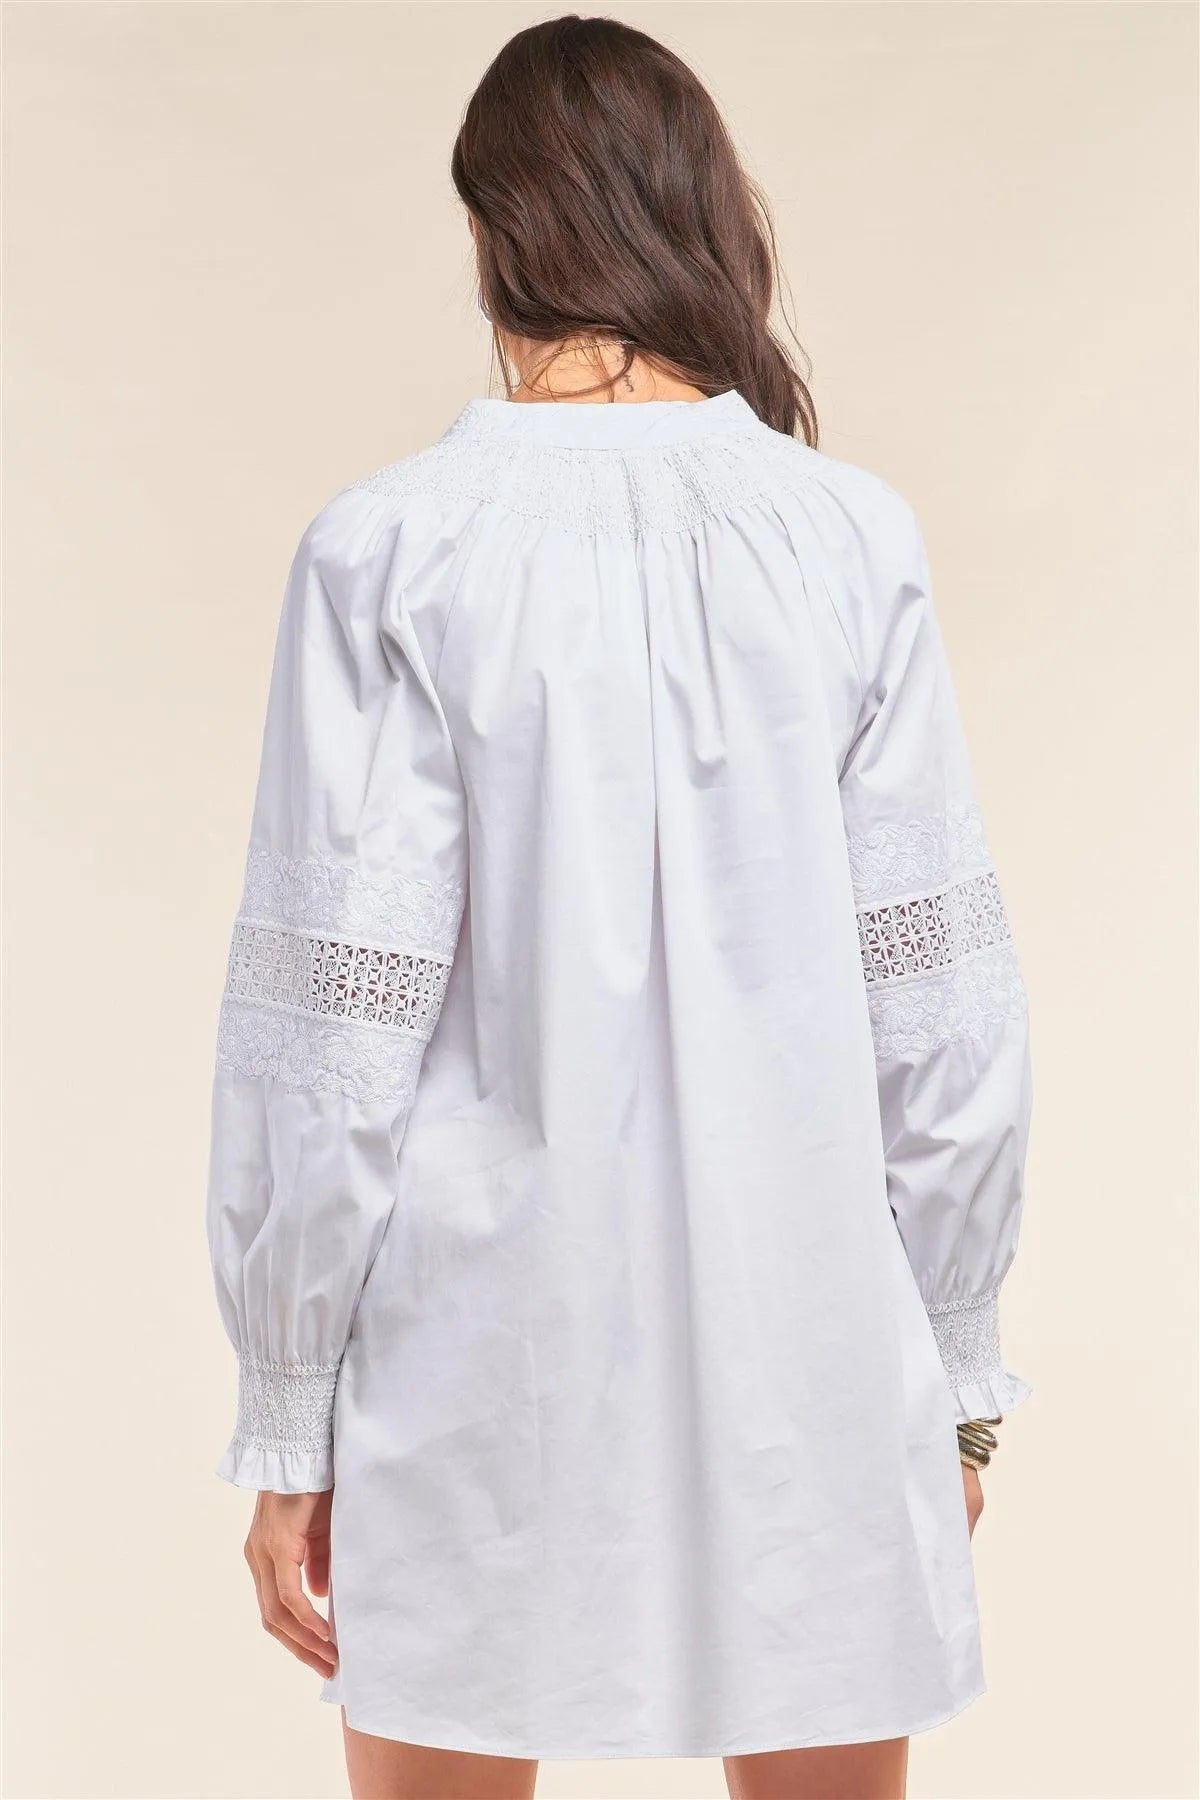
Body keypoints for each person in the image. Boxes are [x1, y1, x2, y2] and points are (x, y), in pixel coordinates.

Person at [206, 15, 1032, 1799]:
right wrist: (957, 1368)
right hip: (813, 1340)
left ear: (493, 228)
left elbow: (337, 1031)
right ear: (696, 210)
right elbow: (940, 1001)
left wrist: (288, 1409)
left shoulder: (390, 548)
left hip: (469, 1359)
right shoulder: (847, 538)